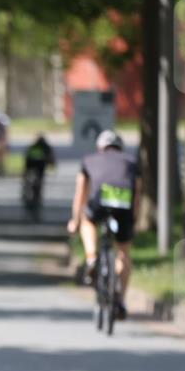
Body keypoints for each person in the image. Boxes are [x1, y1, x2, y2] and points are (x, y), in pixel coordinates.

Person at [67, 130, 141, 320]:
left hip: (100, 199)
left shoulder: (90, 160)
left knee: (88, 220)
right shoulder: (131, 162)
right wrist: (134, 219)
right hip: (124, 203)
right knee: (123, 253)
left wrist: (75, 220)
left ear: (100, 147)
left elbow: (80, 194)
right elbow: (137, 193)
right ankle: (121, 300)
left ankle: (92, 258)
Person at [22, 134, 56, 212]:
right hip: (37, 165)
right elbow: (51, 158)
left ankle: (30, 195)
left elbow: (26, 157)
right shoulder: (45, 146)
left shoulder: (34, 146)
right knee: (37, 182)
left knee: (31, 182)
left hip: (35, 165)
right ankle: (34, 196)